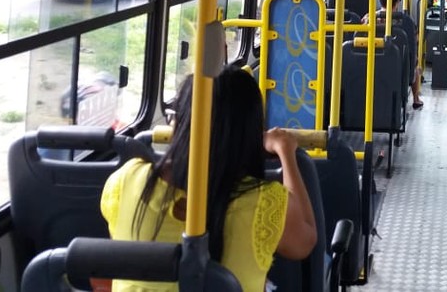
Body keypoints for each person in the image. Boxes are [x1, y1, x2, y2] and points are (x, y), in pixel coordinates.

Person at [101, 67, 317, 291]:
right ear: (250, 131)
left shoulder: (127, 179)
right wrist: (287, 153)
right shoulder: (264, 202)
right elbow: (305, 241)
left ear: (180, 122)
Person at [364, 0, 424, 109]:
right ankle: (416, 98)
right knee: (417, 66)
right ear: (398, 0)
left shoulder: (368, 18)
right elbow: (413, 47)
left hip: (370, 67)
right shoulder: (407, 22)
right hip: (400, 71)